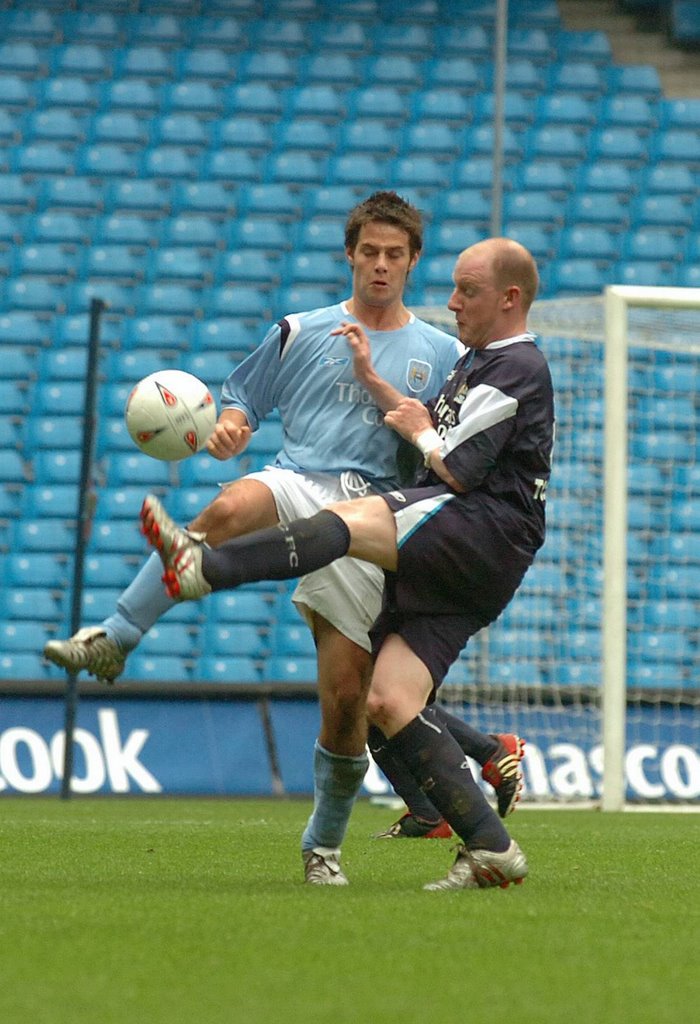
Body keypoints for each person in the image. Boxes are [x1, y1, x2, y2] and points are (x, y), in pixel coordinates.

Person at [43, 194, 524, 877]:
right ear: (350, 256)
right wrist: (233, 425)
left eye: (395, 255)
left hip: (369, 515)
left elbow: (444, 450)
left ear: (413, 262)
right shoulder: (301, 330)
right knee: (233, 505)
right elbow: (240, 403)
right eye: (369, 253)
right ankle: (116, 637)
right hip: (299, 478)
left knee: (345, 701)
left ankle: (322, 847)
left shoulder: (443, 354)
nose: (380, 266)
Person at [139, 237, 554, 891]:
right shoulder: (478, 362)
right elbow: (433, 430)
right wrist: (380, 386)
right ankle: (491, 846)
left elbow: (459, 467)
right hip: (476, 552)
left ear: (509, 299)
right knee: (387, 700)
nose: (451, 302)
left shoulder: (518, 365)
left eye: (467, 291)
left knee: (348, 521)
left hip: (482, 529)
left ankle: (203, 570)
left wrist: (419, 430)